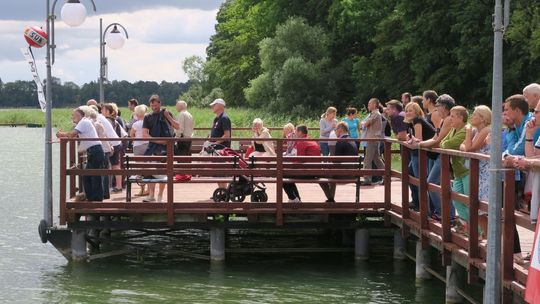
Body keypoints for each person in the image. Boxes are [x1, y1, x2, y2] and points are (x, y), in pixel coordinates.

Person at [417, 94, 456, 220]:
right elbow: (434, 138)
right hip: (441, 156)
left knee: (432, 182)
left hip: (444, 156)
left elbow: (438, 141)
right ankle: (448, 215)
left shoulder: (449, 119)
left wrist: (419, 144)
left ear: (444, 107)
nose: (436, 109)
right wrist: (419, 143)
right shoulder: (444, 120)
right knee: (444, 184)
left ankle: (444, 214)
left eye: (437, 106)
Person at [56, 109, 105, 201]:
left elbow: (72, 134)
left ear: (79, 115)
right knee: (88, 175)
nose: (72, 117)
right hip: (94, 151)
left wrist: (60, 134)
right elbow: (73, 134)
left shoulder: (83, 122)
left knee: (95, 176)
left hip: (95, 151)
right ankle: (91, 198)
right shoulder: (84, 122)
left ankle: (96, 199)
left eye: (73, 115)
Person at [460, 105, 491, 237]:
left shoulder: (485, 130)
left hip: (486, 173)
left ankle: (490, 236)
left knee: (482, 207)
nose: (472, 117)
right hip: (478, 172)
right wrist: (467, 141)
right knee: (478, 207)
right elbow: (462, 146)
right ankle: (486, 234)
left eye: (476, 115)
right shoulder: (477, 131)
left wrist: (467, 132)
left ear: (483, 118)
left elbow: (468, 149)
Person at [142, 94, 179, 203]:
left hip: (166, 149)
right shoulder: (148, 117)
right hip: (153, 148)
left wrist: (167, 116)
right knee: (150, 171)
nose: (154, 107)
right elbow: (144, 134)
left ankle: (160, 196)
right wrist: (159, 141)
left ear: (160, 104)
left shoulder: (167, 113)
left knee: (163, 172)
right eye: (152, 105)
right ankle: (151, 195)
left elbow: (177, 126)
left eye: (156, 104)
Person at [440, 106, 468, 232]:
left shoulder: (465, 130)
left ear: (461, 118)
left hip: (467, 171)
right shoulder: (453, 130)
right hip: (457, 171)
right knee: (456, 199)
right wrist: (445, 143)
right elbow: (442, 143)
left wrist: (446, 143)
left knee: (468, 200)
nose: (450, 119)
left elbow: (448, 144)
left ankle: (476, 229)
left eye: (452, 116)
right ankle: (465, 225)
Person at [404, 102, 435, 210]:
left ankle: (424, 207)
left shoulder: (417, 120)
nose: (408, 113)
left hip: (422, 153)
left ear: (417, 112)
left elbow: (418, 139)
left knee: (419, 179)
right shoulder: (411, 122)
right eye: (406, 110)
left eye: (410, 110)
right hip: (418, 152)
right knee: (410, 173)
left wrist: (410, 140)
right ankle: (417, 202)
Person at [319, 122, 359, 202]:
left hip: (343, 173)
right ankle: (331, 198)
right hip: (353, 173)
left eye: (335, 129)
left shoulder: (340, 141)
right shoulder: (352, 140)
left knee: (319, 175)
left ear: (340, 130)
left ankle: (330, 198)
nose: (335, 131)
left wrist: (326, 165)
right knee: (331, 173)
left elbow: (335, 161)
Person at [283, 125, 321, 202]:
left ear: (300, 132)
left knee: (282, 174)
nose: (294, 133)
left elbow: (299, 160)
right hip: (315, 170)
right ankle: (295, 198)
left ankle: (293, 198)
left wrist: (289, 166)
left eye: (296, 131)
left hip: (308, 172)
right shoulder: (310, 140)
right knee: (286, 173)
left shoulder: (301, 142)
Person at [102, 103, 127, 193]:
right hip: (116, 144)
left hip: (111, 146)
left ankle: (107, 187)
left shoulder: (107, 121)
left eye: (103, 110)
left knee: (109, 166)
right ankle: (119, 186)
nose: (101, 111)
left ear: (107, 111)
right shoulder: (114, 120)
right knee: (116, 165)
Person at [361, 98, 384, 185]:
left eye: (369, 104)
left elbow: (366, 124)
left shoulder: (376, 114)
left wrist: (363, 123)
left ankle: (367, 179)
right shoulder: (373, 114)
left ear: (374, 105)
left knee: (367, 160)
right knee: (377, 160)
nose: (368, 106)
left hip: (372, 139)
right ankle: (386, 176)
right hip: (372, 139)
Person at [130, 105, 149, 196]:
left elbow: (131, 135)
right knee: (148, 167)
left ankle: (142, 189)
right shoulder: (148, 123)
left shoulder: (135, 124)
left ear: (137, 114)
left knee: (140, 168)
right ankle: (149, 189)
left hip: (138, 146)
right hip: (148, 146)